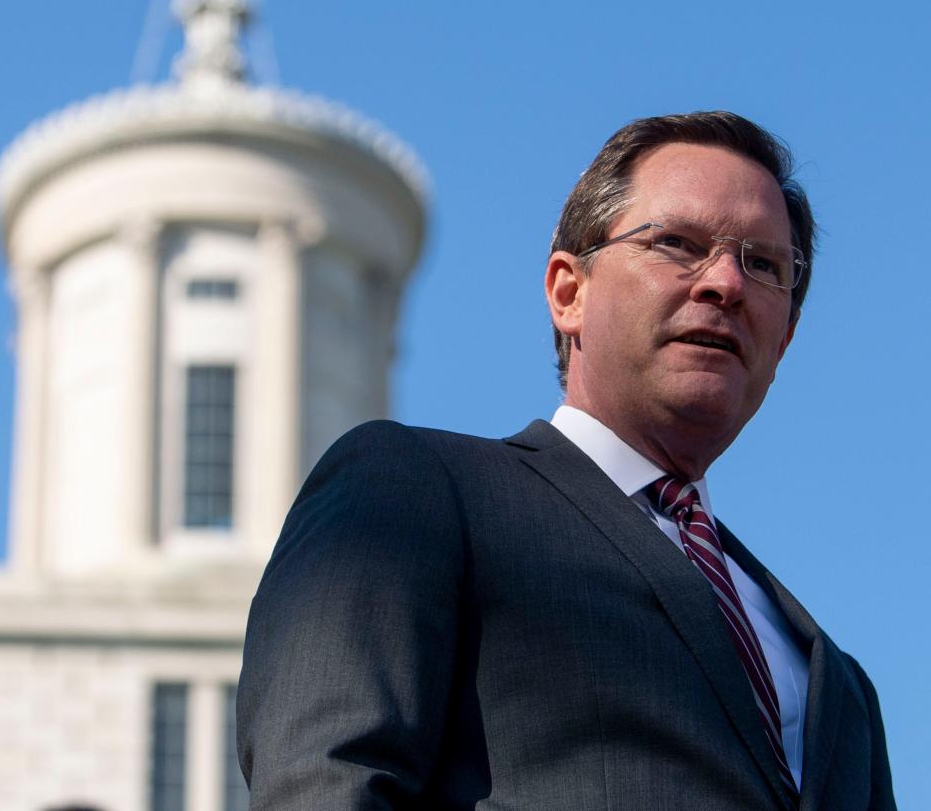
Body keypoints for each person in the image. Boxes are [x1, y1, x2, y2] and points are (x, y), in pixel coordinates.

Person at [237, 111, 895, 810]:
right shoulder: (419, 490)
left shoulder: (838, 684)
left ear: (786, 338)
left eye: (764, 265)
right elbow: (326, 783)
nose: (726, 284)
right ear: (568, 292)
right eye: (677, 243)